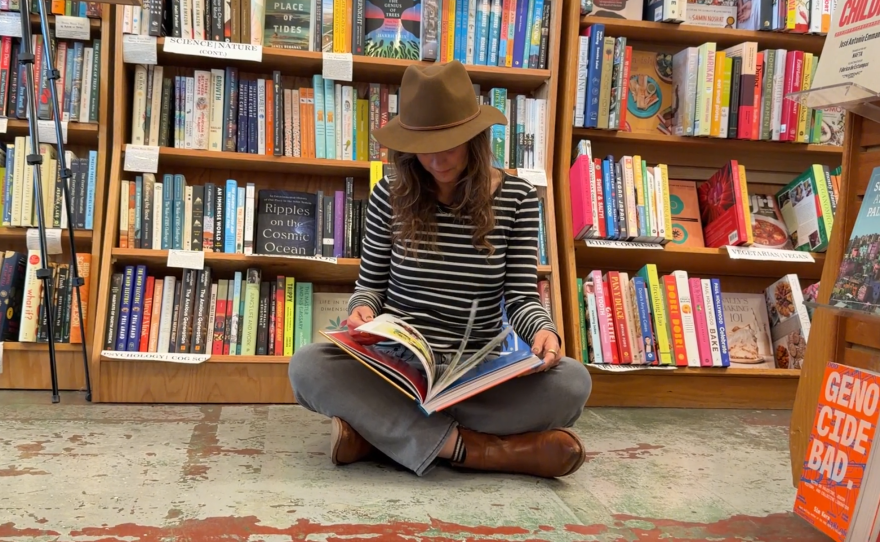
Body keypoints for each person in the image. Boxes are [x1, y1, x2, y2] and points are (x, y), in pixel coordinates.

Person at [288, 61, 593, 479]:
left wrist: (545, 331)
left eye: (449, 142)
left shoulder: (518, 198)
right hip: (399, 370)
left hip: (476, 372)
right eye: (422, 144)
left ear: (474, 136)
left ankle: (381, 434)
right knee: (307, 366)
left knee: (573, 383)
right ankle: (478, 450)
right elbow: (370, 288)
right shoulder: (389, 193)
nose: (435, 158)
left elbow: (521, 297)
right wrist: (361, 312)